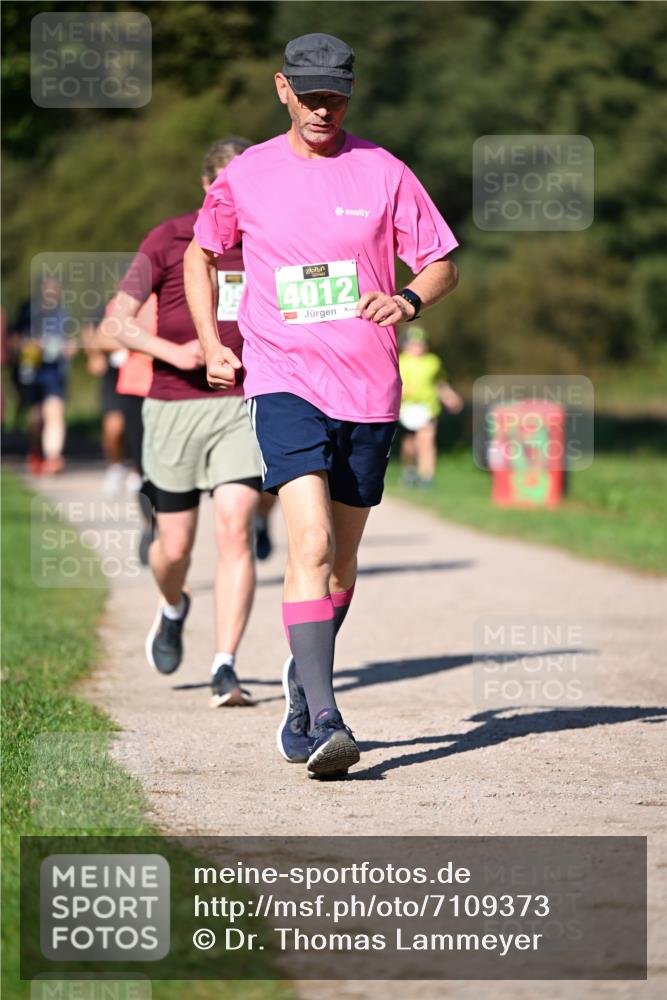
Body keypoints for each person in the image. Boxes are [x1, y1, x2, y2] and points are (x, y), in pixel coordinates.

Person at [184, 34, 459, 777]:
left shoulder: (383, 171)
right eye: (308, 96)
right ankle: (329, 717)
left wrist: (407, 300)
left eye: (333, 95)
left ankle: (302, 693)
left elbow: (440, 262)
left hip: (368, 389)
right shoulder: (246, 174)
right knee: (307, 545)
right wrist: (212, 344)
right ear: (282, 89)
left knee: (340, 563)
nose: (321, 109)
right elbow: (199, 254)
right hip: (282, 379)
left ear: (350, 91)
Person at [97, 137, 263, 707]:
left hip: (242, 402)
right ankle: (173, 605)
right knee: (173, 549)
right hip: (172, 406)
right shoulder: (168, 238)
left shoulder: (268, 239)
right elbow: (115, 324)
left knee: (236, 528)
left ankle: (225, 666)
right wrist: (177, 353)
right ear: (206, 186)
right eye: (229, 186)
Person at [13, 276, 78, 475]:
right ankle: (36, 449)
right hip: (32, 370)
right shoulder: (28, 311)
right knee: (36, 416)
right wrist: (32, 345)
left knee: (54, 412)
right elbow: (14, 340)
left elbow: (72, 340)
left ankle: (53, 457)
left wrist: (70, 348)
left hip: (55, 370)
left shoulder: (64, 314)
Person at [398, 326, 463, 487]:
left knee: (427, 441)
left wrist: (450, 397)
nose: (418, 347)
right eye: (414, 344)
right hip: (405, 408)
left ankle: (426, 477)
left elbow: (439, 383)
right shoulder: (399, 361)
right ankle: (409, 470)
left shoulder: (432, 362)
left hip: (427, 408)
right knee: (410, 445)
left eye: (421, 343)